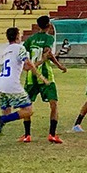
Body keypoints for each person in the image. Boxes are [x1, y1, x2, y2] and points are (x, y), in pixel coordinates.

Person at [0, 28, 48, 145]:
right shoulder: (20, 48)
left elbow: (25, 67)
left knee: (7, 113)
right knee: (28, 111)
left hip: (0, 83)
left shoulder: (6, 50)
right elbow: (28, 63)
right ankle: (0, 120)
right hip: (11, 84)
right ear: (18, 36)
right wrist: (41, 76)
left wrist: (41, 61)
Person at [23, 16, 67, 144]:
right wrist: (59, 65)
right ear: (48, 25)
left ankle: (27, 135)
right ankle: (52, 134)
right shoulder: (49, 38)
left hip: (31, 77)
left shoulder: (31, 39)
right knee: (53, 104)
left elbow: (24, 54)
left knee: (27, 105)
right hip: (45, 75)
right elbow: (48, 54)